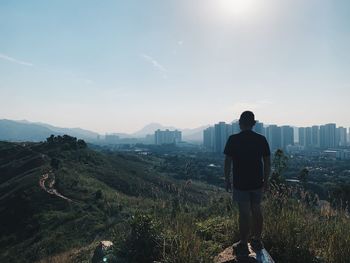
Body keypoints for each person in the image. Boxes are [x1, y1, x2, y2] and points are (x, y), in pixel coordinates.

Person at [224, 111, 271, 257]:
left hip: (240, 183)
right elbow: (267, 162)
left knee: (244, 213)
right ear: (253, 123)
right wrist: (266, 180)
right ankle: (257, 240)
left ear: (240, 123)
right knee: (257, 210)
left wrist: (227, 179)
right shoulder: (261, 139)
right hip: (257, 182)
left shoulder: (233, 139)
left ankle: (243, 242)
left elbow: (227, 161)